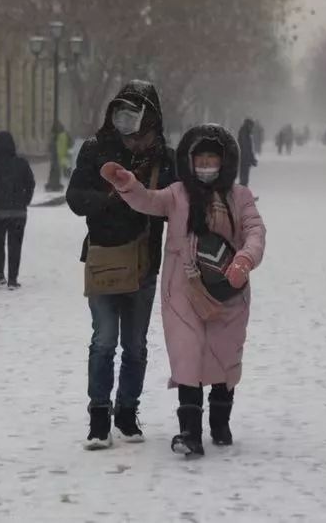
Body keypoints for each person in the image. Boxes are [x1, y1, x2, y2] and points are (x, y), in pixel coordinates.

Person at [101, 123, 266, 457]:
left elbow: (255, 232)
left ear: (225, 161)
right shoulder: (176, 194)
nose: (205, 166)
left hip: (227, 288)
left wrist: (244, 261)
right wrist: (128, 185)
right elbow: (148, 201)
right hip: (182, 288)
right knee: (187, 352)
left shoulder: (240, 197)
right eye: (199, 159)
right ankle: (189, 431)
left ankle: (220, 422)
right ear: (189, 161)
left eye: (212, 159)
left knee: (224, 352)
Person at [66, 80, 176, 449]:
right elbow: (75, 196)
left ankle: (127, 414)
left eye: (135, 113)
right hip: (103, 256)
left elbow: (175, 201)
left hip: (144, 260)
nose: (126, 122)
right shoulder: (96, 150)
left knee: (135, 345)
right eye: (121, 112)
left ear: (152, 117)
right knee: (103, 340)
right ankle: (99, 418)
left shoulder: (163, 157)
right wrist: (110, 200)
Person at [0, 131, 35, 290]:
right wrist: (25, 200)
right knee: (15, 245)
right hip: (18, 211)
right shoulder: (22, 164)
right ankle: (13, 279)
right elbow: (30, 183)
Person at [237, 118, 257, 186]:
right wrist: (251, 158)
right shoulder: (244, 132)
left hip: (244, 157)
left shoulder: (246, 132)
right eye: (252, 126)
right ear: (248, 125)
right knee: (244, 177)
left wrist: (252, 158)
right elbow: (246, 147)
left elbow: (249, 147)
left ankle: (243, 193)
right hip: (244, 157)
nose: (252, 128)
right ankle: (242, 194)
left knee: (244, 177)